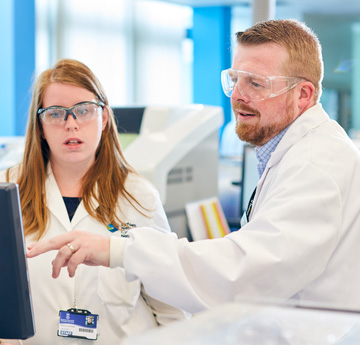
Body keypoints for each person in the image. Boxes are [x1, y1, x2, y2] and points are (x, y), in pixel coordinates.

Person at [27, 19, 360, 315]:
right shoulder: (292, 156)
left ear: (303, 94)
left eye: (256, 83)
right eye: (234, 80)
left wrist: (119, 249)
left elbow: (245, 271)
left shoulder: (317, 163)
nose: (238, 96)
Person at [1, 59, 187, 345]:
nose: (71, 124)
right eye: (55, 113)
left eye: (83, 111)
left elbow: (170, 308)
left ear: (103, 118)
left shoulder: (138, 196)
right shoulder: (7, 191)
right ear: (39, 126)